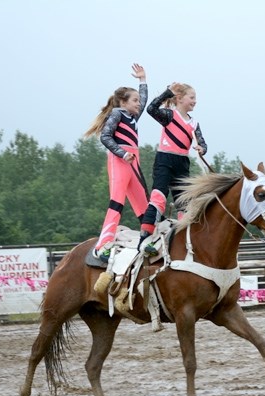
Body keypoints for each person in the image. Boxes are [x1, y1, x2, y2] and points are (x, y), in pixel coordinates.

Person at [84, 64, 149, 262]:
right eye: (134, 100)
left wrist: (143, 80)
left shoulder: (133, 116)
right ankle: (103, 245)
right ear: (123, 102)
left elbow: (144, 101)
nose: (139, 103)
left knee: (143, 205)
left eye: (138, 100)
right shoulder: (117, 114)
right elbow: (105, 137)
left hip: (134, 161)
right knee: (117, 203)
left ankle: (149, 240)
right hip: (120, 161)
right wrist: (122, 153)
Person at [139, 82, 208, 254]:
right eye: (192, 98)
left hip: (182, 163)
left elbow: (202, 142)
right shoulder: (169, 115)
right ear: (179, 99)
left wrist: (202, 149)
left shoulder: (194, 123)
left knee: (184, 203)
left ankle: (183, 239)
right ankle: (145, 238)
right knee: (158, 198)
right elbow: (151, 109)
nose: (195, 101)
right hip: (165, 159)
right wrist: (167, 92)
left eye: (195, 98)